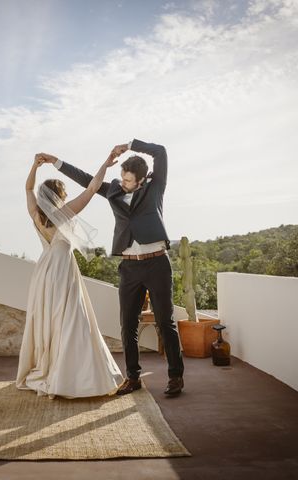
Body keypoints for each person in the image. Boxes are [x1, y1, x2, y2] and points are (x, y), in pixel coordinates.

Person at [38, 138, 185, 396]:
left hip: (157, 264)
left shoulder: (155, 188)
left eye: (129, 180)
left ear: (141, 180)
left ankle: (175, 377)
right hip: (129, 268)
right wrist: (56, 162)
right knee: (127, 324)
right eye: (123, 178)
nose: (124, 183)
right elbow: (87, 180)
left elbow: (160, 152)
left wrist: (129, 145)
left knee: (165, 322)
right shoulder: (114, 191)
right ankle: (133, 377)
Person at [16, 152, 123, 399]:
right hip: (63, 269)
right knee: (72, 318)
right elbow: (93, 187)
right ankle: (74, 376)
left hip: (44, 270)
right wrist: (104, 164)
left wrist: (34, 165)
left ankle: (52, 368)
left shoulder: (35, 214)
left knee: (49, 319)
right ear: (59, 196)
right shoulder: (65, 213)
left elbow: (28, 186)